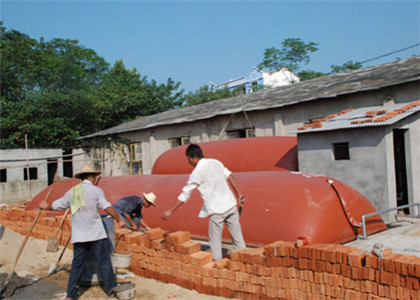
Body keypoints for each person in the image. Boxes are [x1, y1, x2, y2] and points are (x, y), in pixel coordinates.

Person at [39, 164, 126, 300]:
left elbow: (59, 204)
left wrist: (47, 206)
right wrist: (119, 220)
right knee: (104, 262)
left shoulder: (72, 192)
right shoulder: (96, 191)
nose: (96, 179)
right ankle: (111, 289)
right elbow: (107, 206)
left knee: (77, 266)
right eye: (95, 177)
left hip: (79, 235)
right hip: (96, 234)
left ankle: (70, 295)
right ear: (91, 177)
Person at [161, 143, 246, 261]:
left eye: (189, 159)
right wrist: (239, 194)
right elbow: (230, 176)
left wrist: (170, 211)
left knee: (215, 241)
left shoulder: (197, 173)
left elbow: (185, 195)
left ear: (194, 157)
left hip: (217, 210)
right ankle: (245, 260)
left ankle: (217, 265)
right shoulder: (216, 162)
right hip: (231, 205)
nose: (189, 162)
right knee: (237, 236)